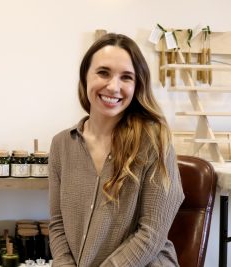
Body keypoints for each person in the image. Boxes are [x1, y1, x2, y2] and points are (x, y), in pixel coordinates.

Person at [48, 33, 185, 266]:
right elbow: (57, 223)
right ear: (85, 77)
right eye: (103, 73)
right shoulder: (61, 144)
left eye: (126, 77)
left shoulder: (155, 141)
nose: (113, 86)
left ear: (137, 85)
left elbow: (152, 232)